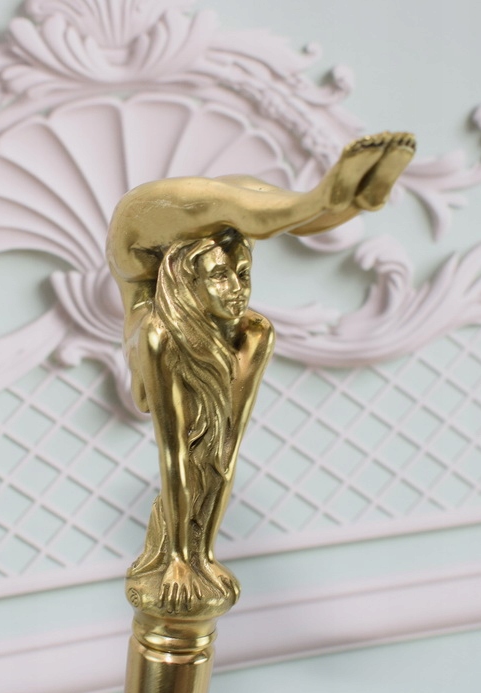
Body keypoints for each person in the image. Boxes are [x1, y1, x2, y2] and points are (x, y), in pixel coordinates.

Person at [106, 132, 415, 613]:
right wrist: (184, 558)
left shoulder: (249, 331)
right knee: (245, 206)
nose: (237, 291)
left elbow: (222, 450)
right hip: (138, 222)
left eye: (242, 274)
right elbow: (177, 454)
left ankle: (353, 198)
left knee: (248, 206)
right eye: (222, 276)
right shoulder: (154, 329)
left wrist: (197, 557)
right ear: (187, 281)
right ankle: (335, 198)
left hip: (180, 223)